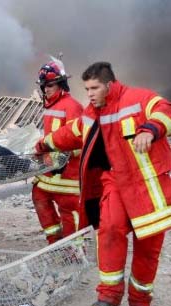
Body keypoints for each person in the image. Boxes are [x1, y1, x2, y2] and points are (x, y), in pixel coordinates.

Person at [35, 62, 171, 306]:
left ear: (110, 85)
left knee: (148, 249)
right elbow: (72, 132)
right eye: (86, 89)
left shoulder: (139, 98)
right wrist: (44, 144)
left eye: (94, 88)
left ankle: (140, 299)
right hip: (115, 183)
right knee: (109, 232)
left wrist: (151, 129)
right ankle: (108, 297)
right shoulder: (91, 113)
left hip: (148, 189)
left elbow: (164, 109)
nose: (89, 94)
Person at [32, 58, 83, 244]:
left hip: (68, 173)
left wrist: (50, 151)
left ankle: (75, 250)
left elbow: (76, 141)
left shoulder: (72, 107)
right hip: (50, 169)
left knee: (68, 208)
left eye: (50, 85)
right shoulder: (51, 105)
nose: (46, 89)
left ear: (61, 84)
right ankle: (55, 241)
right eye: (44, 86)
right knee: (39, 194)